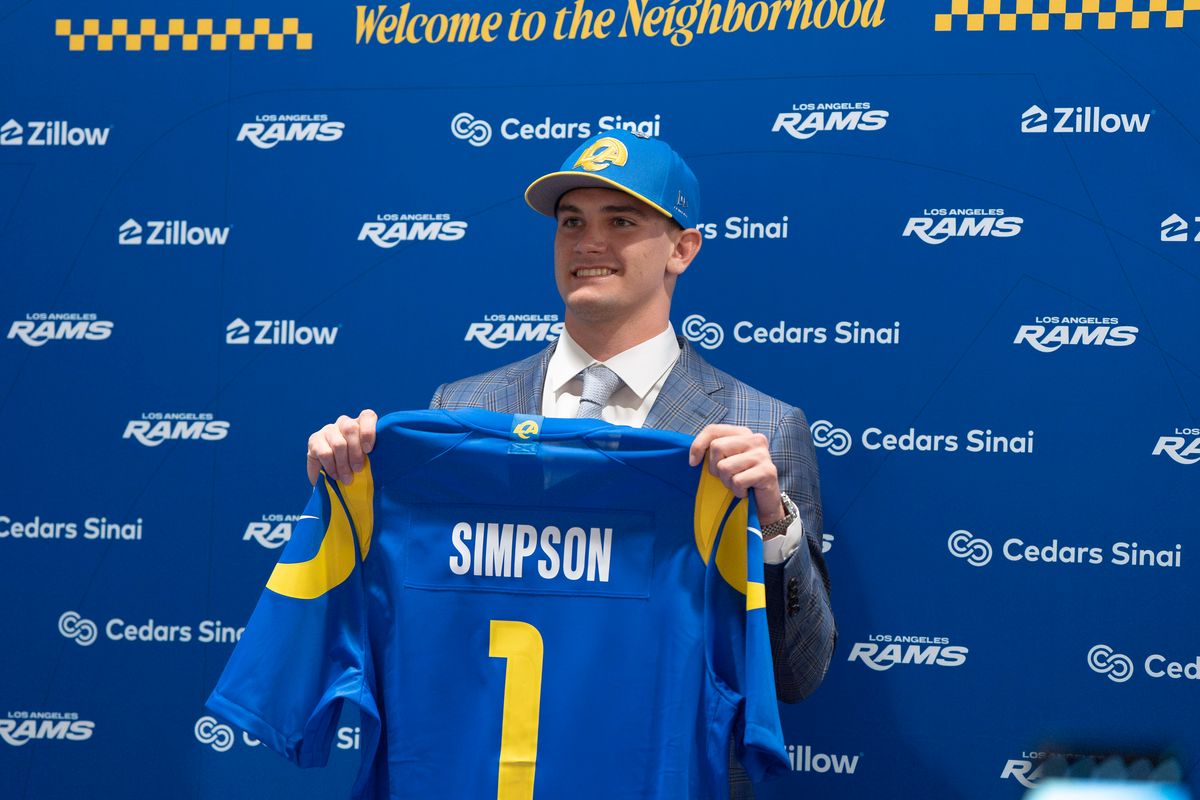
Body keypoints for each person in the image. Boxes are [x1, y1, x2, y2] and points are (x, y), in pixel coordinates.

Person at [305, 129, 835, 798]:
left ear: (683, 247)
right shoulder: (459, 409)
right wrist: (345, 500)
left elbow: (799, 674)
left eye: (621, 221)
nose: (589, 242)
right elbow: (399, 626)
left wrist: (772, 523)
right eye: (571, 222)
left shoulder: (761, 428)